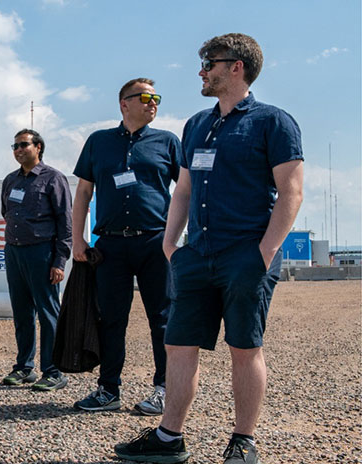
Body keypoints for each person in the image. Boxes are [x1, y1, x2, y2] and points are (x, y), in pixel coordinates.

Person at [114, 33, 303, 464]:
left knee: (244, 346)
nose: (201, 70)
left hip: (245, 253)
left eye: (209, 62)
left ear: (236, 67)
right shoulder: (197, 124)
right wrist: (170, 244)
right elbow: (182, 189)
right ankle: (169, 437)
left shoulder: (274, 122)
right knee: (179, 345)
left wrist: (265, 253)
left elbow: (291, 191)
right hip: (195, 254)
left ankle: (243, 441)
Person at [71, 78, 180, 415]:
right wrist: (78, 238)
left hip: (154, 243)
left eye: (156, 98)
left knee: (162, 319)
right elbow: (84, 193)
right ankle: (108, 390)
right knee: (111, 319)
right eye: (146, 97)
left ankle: (165, 389)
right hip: (112, 246)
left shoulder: (168, 142)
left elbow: (186, 190)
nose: (153, 103)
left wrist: (174, 238)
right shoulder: (98, 142)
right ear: (124, 103)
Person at [0, 129, 72, 392]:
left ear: (38, 147)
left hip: (42, 253)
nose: (18, 150)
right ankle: (24, 368)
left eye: (23, 145)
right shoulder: (10, 180)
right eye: (15, 145)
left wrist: (59, 261)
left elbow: (65, 223)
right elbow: (6, 213)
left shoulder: (53, 178)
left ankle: (53, 371)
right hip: (15, 251)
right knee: (21, 313)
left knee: (48, 312)